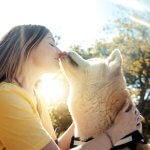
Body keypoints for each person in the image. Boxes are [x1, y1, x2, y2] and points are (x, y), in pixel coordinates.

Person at [0, 25, 141, 150]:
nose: (59, 50)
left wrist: (90, 115)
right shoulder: (6, 97)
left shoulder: (37, 96)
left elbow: (55, 146)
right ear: (25, 45)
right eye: (51, 44)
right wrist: (118, 130)